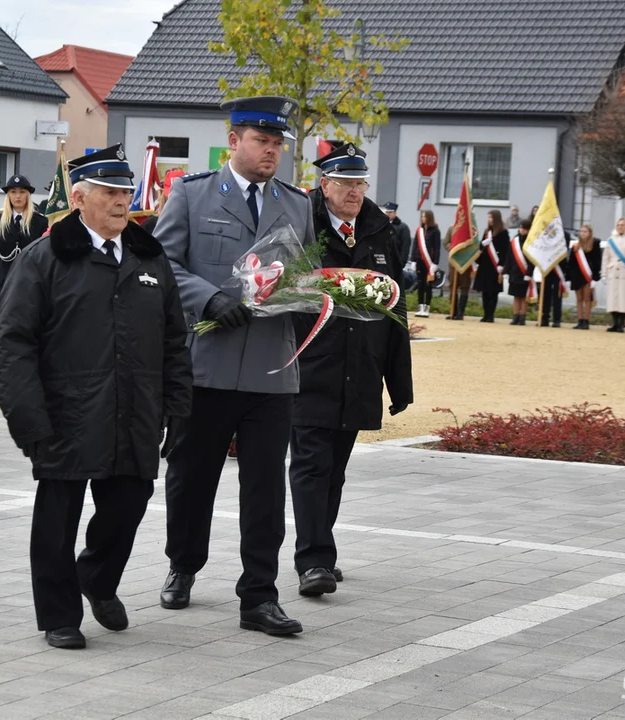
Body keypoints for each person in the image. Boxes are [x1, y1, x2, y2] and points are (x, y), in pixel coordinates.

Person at [0, 144, 193, 650]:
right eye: (110, 192)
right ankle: (59, 615)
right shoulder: (45, 258)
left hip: (136, 412)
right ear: (79, 198)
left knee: (128, 506)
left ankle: (98, 580)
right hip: (65, 414)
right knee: (58, 518)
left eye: (126, 191)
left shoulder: (150, 258)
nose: (122, 200)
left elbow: (174, 338)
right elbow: (13, 342)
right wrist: (29, 420)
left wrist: (178, 405)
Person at [155, 96, 316, 636]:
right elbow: (163, 265)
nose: (272, 151)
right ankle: (183, 565)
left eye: (278, 145)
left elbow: (306, 276)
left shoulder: (297, 204)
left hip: (272, 367)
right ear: (235, 142)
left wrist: (303, 293)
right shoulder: (192, 193)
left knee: (267, 490)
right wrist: (207, 299)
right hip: (207, 365)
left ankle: (259, 597)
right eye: (262, 141)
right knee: (191, 478)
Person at [289, 143, 412, 598]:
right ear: (325, 185)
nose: (355, 192)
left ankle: (320, 549)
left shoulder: (381, 232)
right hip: (310, 365)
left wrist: (398, 380)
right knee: (310, 464)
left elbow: (395, 306)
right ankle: (314, 559)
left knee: (335, 468)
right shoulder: (302, 226)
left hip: (360, 368)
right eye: (345, 183)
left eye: (360, 183)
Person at [0, 175, 48, 322]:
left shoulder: (40, 221)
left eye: (22, 192)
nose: (17, 196)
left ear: (28, 194)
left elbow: (44, 257)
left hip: (27, 287)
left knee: (23, 333)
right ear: (8, 195)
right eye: (13, 192)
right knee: (0, 332)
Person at [473, 210, 508, 323]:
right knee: (485, 291)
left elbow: (505, 250)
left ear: (496, 219)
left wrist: (501, 265)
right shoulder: (487, 231)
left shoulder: (503, 232)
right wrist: (482, 244)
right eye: (488, 217)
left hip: (495, 265)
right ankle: (485, 314)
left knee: (493, 291)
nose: (489, 220)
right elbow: (481, 247)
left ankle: (491, 315)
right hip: (485, 264)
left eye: (491, 217)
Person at [568, 224, 602, 329]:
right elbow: (571, 263)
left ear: (590, 233)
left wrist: (595, 278)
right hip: (577, 276)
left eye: (585, 231)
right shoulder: (575, 246)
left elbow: (597, 262)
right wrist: (568, 278)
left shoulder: (595, 244)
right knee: (579, 299)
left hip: (588, 276)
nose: (583, 233)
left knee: (587, 298)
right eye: (581, 231)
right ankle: (580, 320)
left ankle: (586, 321)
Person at [506, 217, 534, 325]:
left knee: (523, 296)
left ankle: (522, 317)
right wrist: (507, 271)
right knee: (516, 296)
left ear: (528, 230)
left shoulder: (531, 241)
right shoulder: (515, 240)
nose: (521, 230)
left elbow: (532, 259)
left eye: (523, 228)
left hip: (525, 272)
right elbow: (509, 256)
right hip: (514, 272)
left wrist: (529, 273)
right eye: (520, 228)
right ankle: (515, 316)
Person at [540, 231, 571, 328]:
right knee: (545, 294)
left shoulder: (565, 234)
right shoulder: (545, 234)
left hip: (559, 268)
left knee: (557, 295)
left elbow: (564, 249)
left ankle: (556, 319)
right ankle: (544, 318)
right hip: (547, 268)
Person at [414, 209, 440, 317]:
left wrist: (435, 263)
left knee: (428, 285)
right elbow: (415, 246)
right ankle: (420, 306)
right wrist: (413, 260)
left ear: (429, 218)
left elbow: (437, 248)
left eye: (425, 217)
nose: (423, 218)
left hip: (429, 263)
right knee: (420, 284)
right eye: (422, 217)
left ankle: (427, 307)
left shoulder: (435, 231)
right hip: (419, 260)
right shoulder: (419, 230)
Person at [382, 202, 412, 267]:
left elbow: (405, 245)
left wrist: (403, 261)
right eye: (387, 212)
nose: (388, 214)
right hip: (383, 260)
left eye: (390, 212)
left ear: (395, 213)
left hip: (396, 261)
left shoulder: (403, 227)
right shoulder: (382, 226)